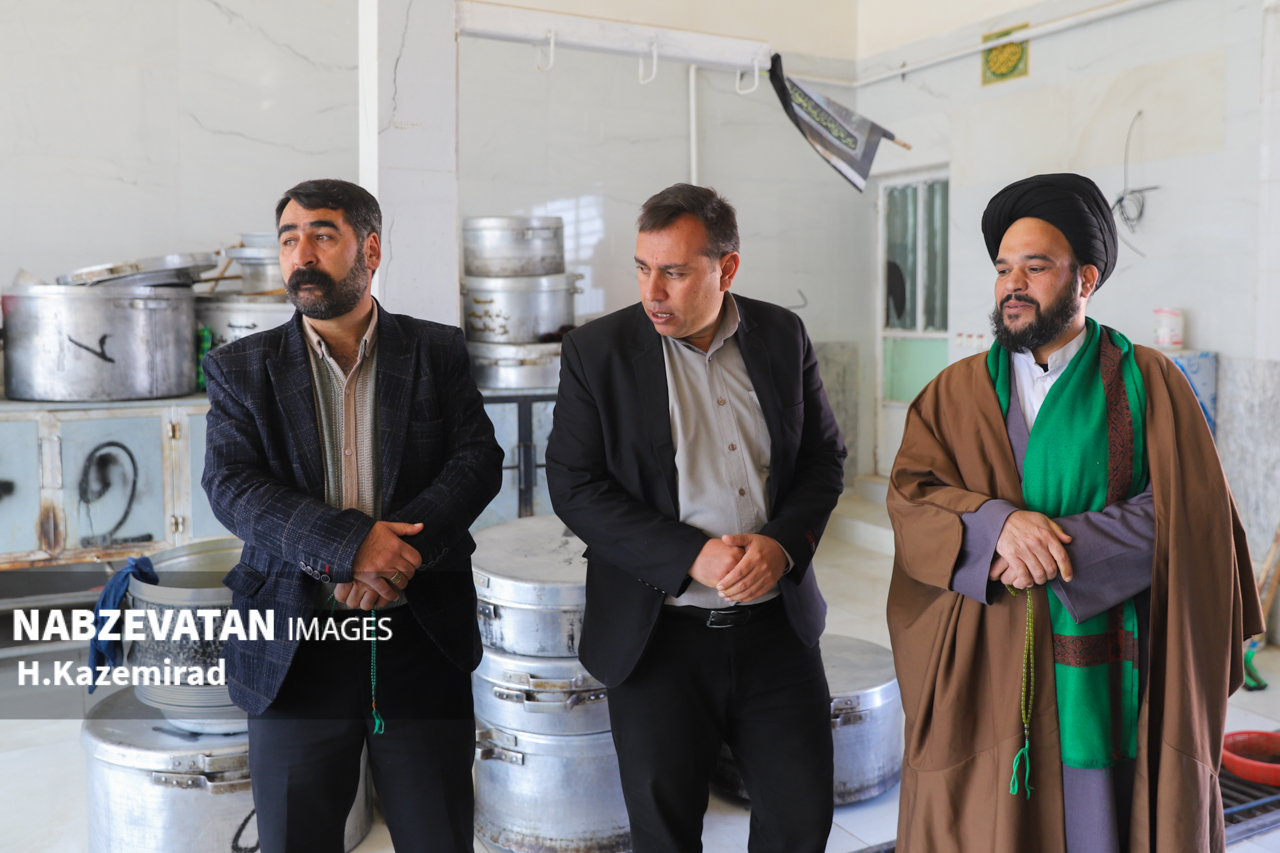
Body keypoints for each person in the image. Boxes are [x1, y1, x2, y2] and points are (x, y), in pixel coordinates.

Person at [886, 172, 1263, 853]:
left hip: (1114, 666)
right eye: (1003, 268)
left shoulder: (1149, 383)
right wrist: (995, 527)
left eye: (1035, 267)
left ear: (1085, 278)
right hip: (989, 658)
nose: (1013, 284)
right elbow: (914, 497)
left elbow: (1192, 515)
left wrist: (1055, 547)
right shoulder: (953, 393)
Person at [201, 178, 504, 853]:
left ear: (370, 249)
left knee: (437, 833)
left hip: (419, 636)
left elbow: (477, 460)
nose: (301, 255)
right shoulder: (240, 369)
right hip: (294, 643)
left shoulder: (436, 351)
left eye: (322, 235)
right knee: (296, 838)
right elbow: (231, 485)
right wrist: (353, 547)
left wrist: (399, 557)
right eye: (289, 239)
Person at [546, 183, 847, 853]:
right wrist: (690, 554)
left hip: (776, 631)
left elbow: (823, 458)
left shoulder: (782, 336)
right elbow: (574, 484)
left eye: (675, 272)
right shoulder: (598, 351)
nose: (653, 291)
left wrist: (781, 546)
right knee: (666, 835)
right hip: (658, 639)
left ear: (726, 268)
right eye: (642, 268)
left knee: (800, 823)